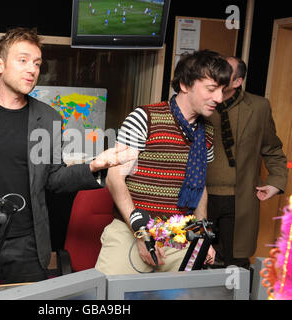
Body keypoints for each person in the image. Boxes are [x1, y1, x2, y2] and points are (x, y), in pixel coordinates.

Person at [0, 27, 135, 289]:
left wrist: (95, 166)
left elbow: (54, 178)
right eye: (23, 60)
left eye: (37, 63)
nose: (32, 69)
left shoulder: (49, 117)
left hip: (27, 244)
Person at [95, 50, 233, 275]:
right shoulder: (144, 118)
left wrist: (201, 236)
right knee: (109, 297)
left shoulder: (207, 132)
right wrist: (141, 233)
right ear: (185, 84)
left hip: (177, 234)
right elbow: (115, 178)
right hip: (131, 231)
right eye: (211, 88)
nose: (219, 98)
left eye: (222, 90)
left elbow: (199, 186)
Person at [205, 56, 288, 269]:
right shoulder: (200, 103)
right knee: (195, 258)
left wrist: (276, 182)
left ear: (237, 81)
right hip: (200, 199)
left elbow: (273, 149)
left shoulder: (259, 107)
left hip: (239, 200)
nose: (217, 73)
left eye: (224, 71)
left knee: (236, 264)